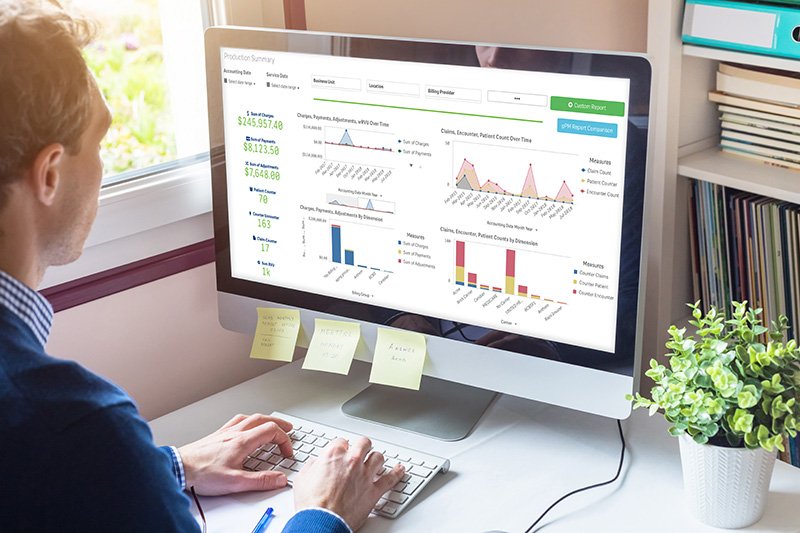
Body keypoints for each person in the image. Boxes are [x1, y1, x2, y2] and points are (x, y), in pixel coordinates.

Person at [0, 1, 404, 531]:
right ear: (49, 172)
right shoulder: (76, 427)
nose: (104, 166)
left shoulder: (72, 440)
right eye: (99, 142)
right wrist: (321, 513)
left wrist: (163, 468)